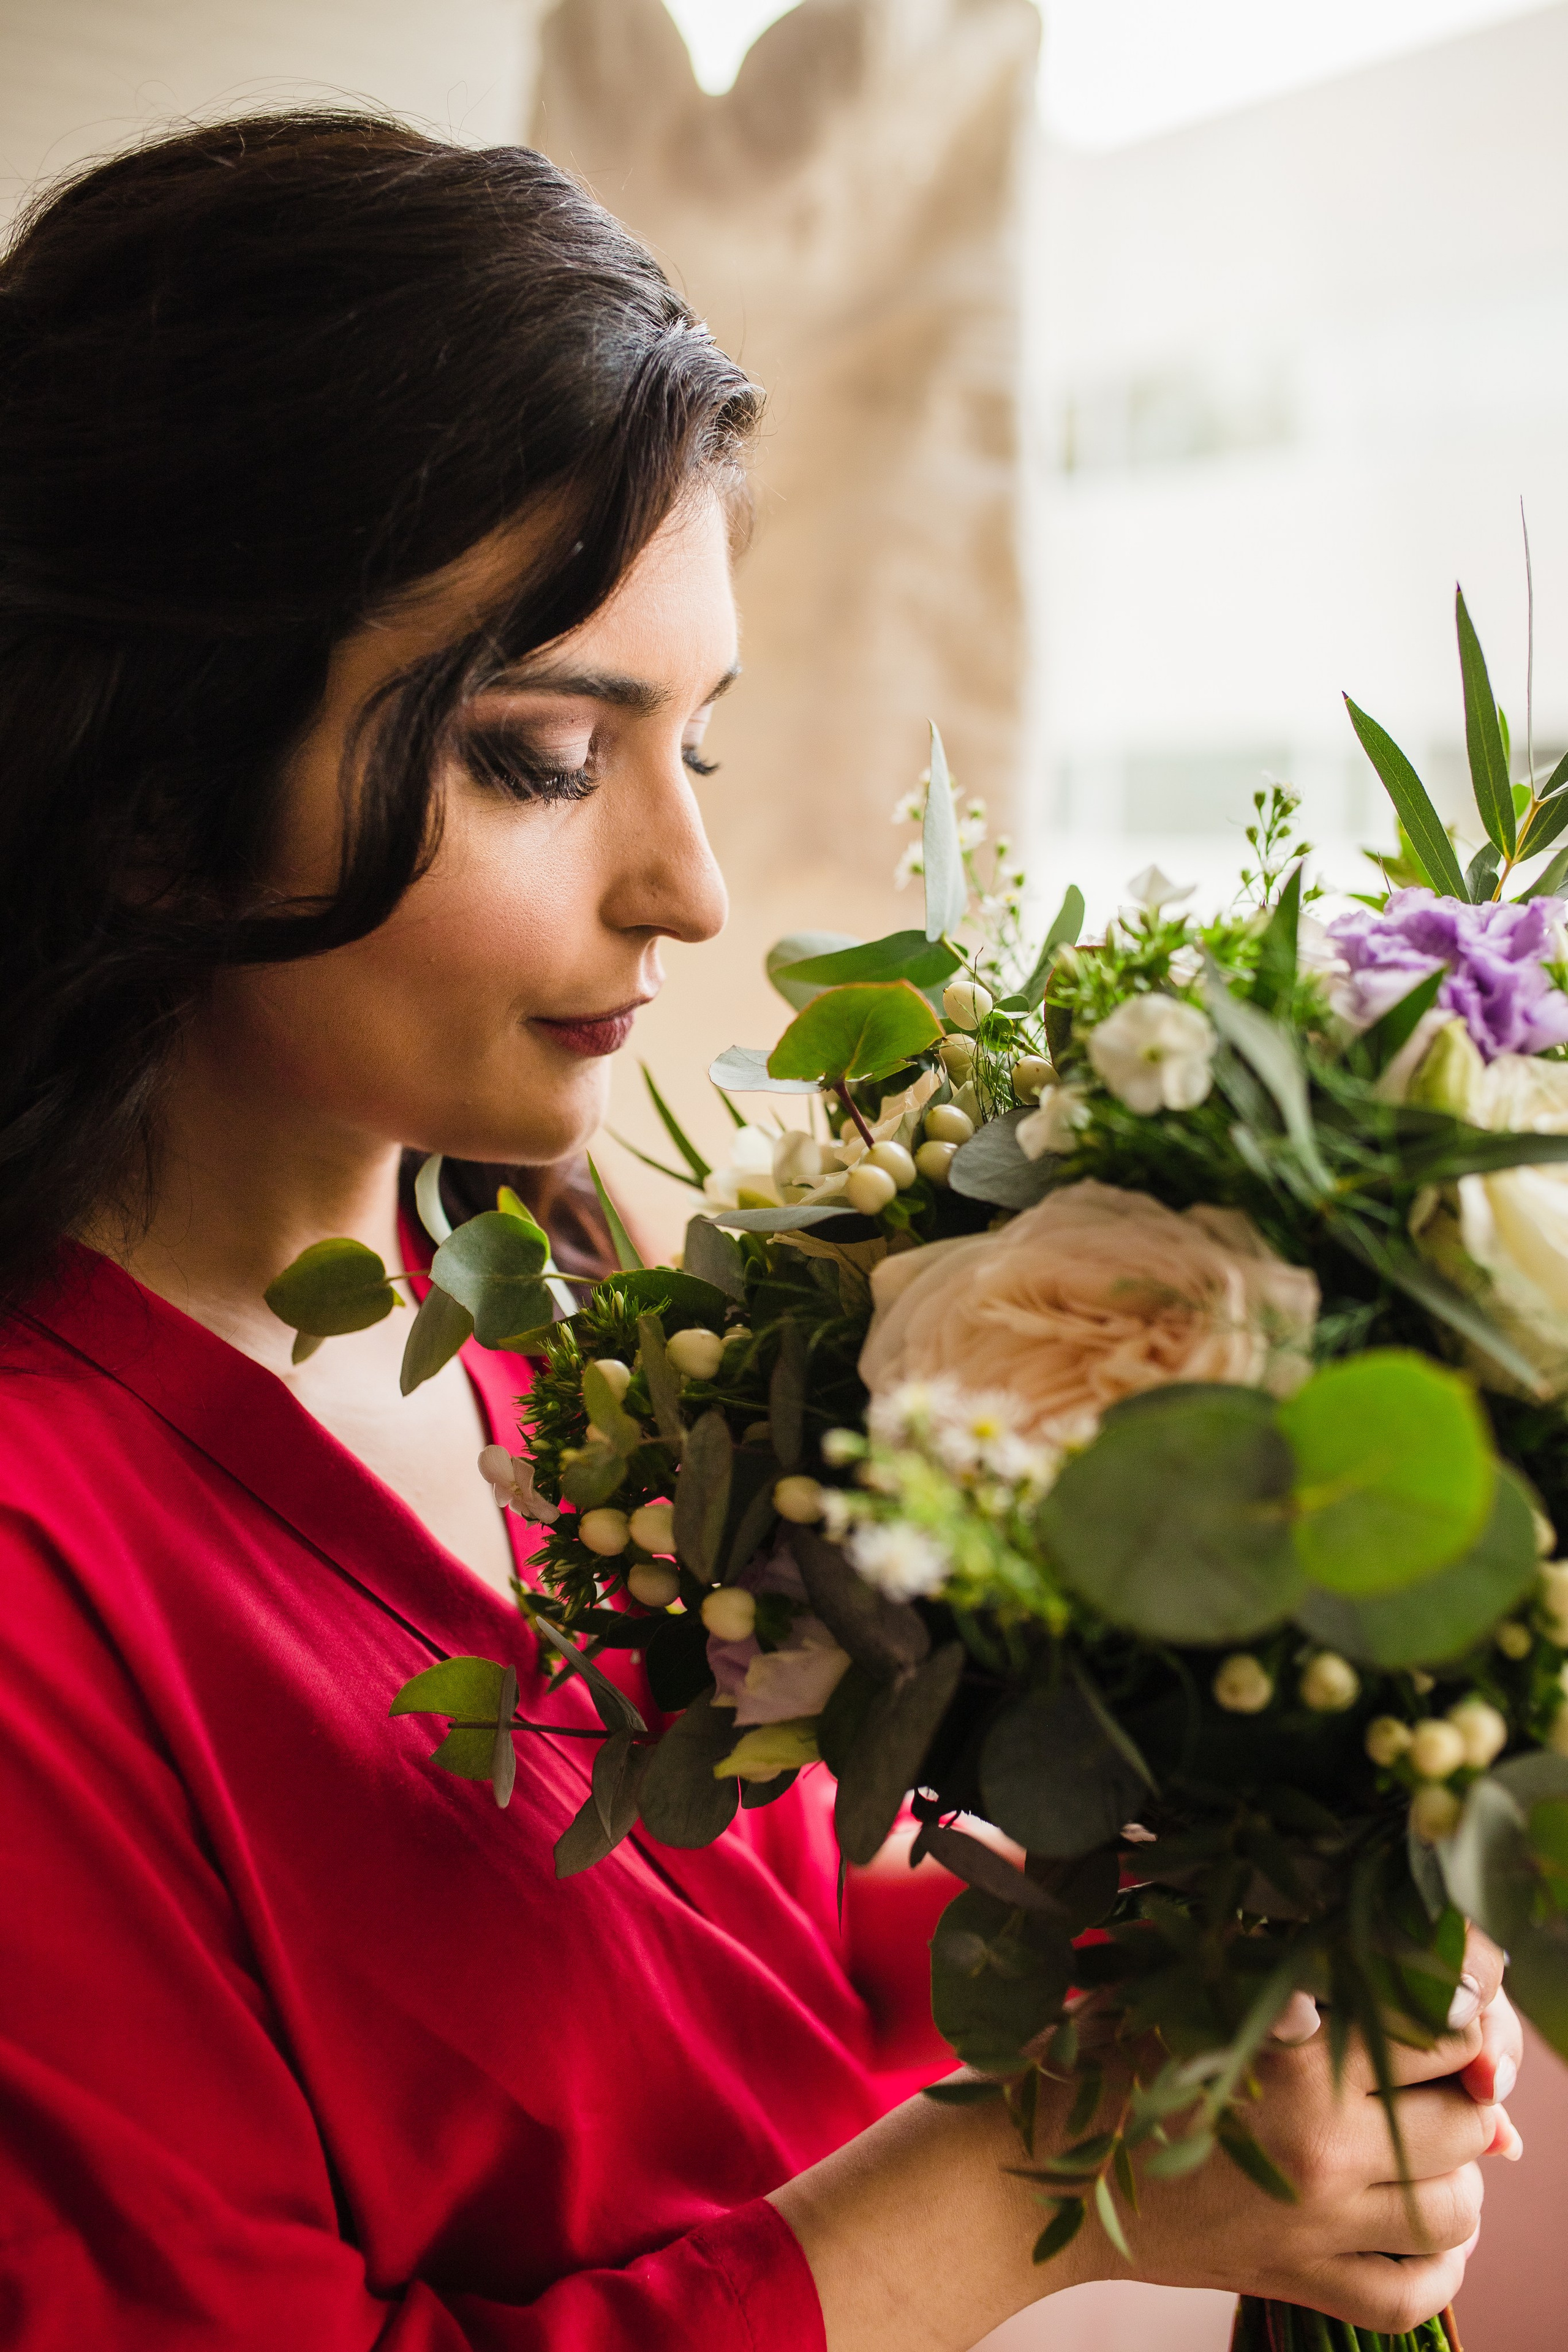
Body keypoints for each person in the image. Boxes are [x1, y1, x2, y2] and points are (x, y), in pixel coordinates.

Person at [0, 113, 1521, 2351]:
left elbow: (731, 1959)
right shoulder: (44, 1570)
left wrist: (1217, 1984)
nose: (687, 892)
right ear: (151, 806)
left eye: (695, 745)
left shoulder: (557, 1316)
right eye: (540, 754)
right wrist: (1061, 2179)